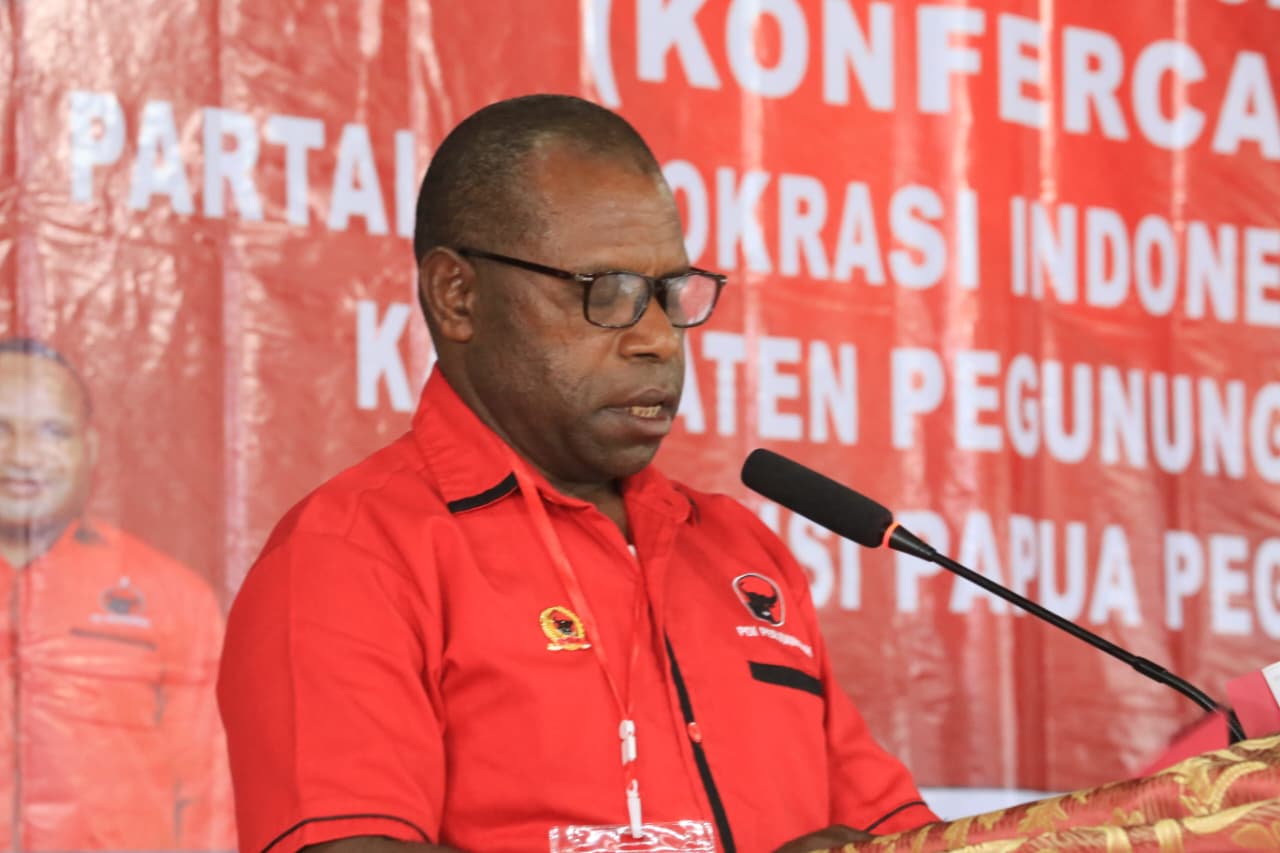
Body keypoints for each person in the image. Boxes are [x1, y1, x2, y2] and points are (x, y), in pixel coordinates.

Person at [218, 94, 938, 853]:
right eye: (607, 292)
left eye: (669, 294)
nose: (658, 338)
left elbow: (899, 835)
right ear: (458, 296)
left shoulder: (739, 551)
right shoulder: (349, 552)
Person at [0, 337, 234, 850]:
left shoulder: (172, 596)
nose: (22, 456)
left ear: (91, 447)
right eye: (1, 429)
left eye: (52, 432)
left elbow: (209, 796)